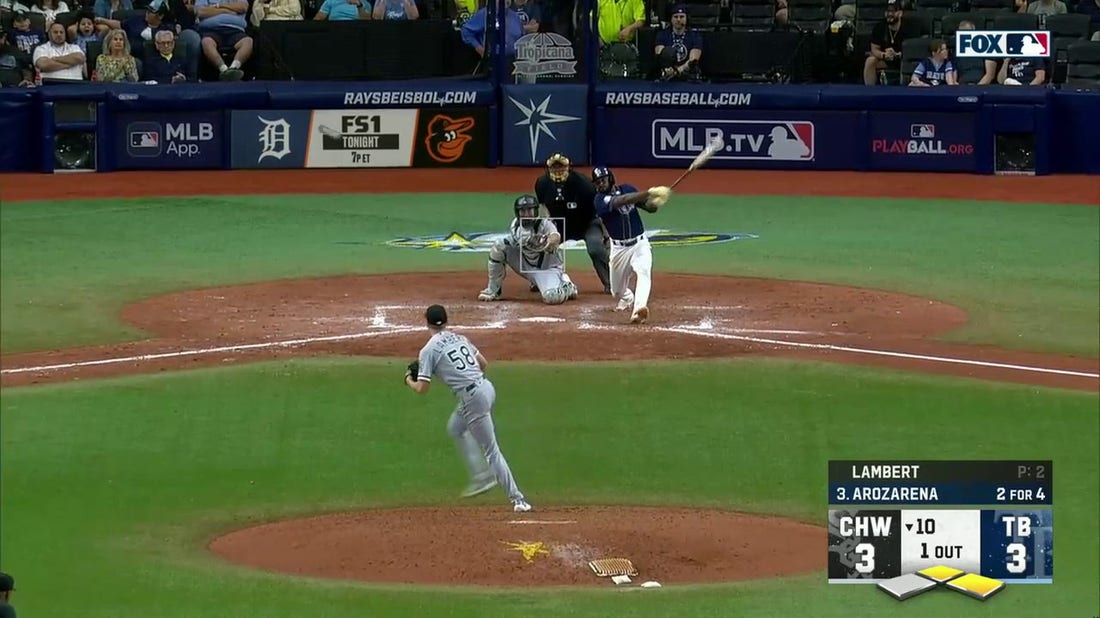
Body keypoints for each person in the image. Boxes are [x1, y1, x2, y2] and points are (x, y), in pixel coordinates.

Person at [405, 304, 533, 513]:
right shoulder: (460, 338)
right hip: (487, 389)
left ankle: (517, 499)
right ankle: (480, 475)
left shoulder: (428, 350)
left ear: (425, 320)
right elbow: (483, 364)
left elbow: (422, 388)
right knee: (455, 428)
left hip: (473, 399)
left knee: (492, 451)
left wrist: (408, 380)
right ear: (446, 321)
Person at [591, 167, 668, 324]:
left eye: (602, 180)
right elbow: (623, 201)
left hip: (640, 244)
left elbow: (649, 208)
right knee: (616, 290)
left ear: (610, 179)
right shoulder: (599, 200)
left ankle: (639, 310)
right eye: (597, 182)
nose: (600, 184)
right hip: (619, 249)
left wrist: (656, 202)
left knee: (644, 272)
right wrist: (649, 192)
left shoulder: (628, 188)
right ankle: (628, 298)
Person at [477, 194, 579, 304]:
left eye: (530, 210)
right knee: (500, 246)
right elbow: (523, 239)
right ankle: (493, 290)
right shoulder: (516, 227)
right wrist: (538, 241)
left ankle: (566, 285)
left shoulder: (545, 224)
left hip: (547, 268)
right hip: (525, 264)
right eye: (523, 211)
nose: (527, 215)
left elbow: (555, 236)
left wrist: (549, 241)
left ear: (535, 211)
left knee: (553, 297)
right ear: (518, 213)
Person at [533, 152, 611, 294]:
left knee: (596, 248)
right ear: (548, 168)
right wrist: (548, 228)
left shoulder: (584, 185)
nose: (558, 170)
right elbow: (544, 206)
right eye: (554, 167)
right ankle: (540, 280)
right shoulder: (542, 183)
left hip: (586, 223)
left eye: (561, 167)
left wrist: (606, 235)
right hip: (560, 225)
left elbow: (599, 211)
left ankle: (611, 283)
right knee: (542, 245)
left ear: (569, 167)